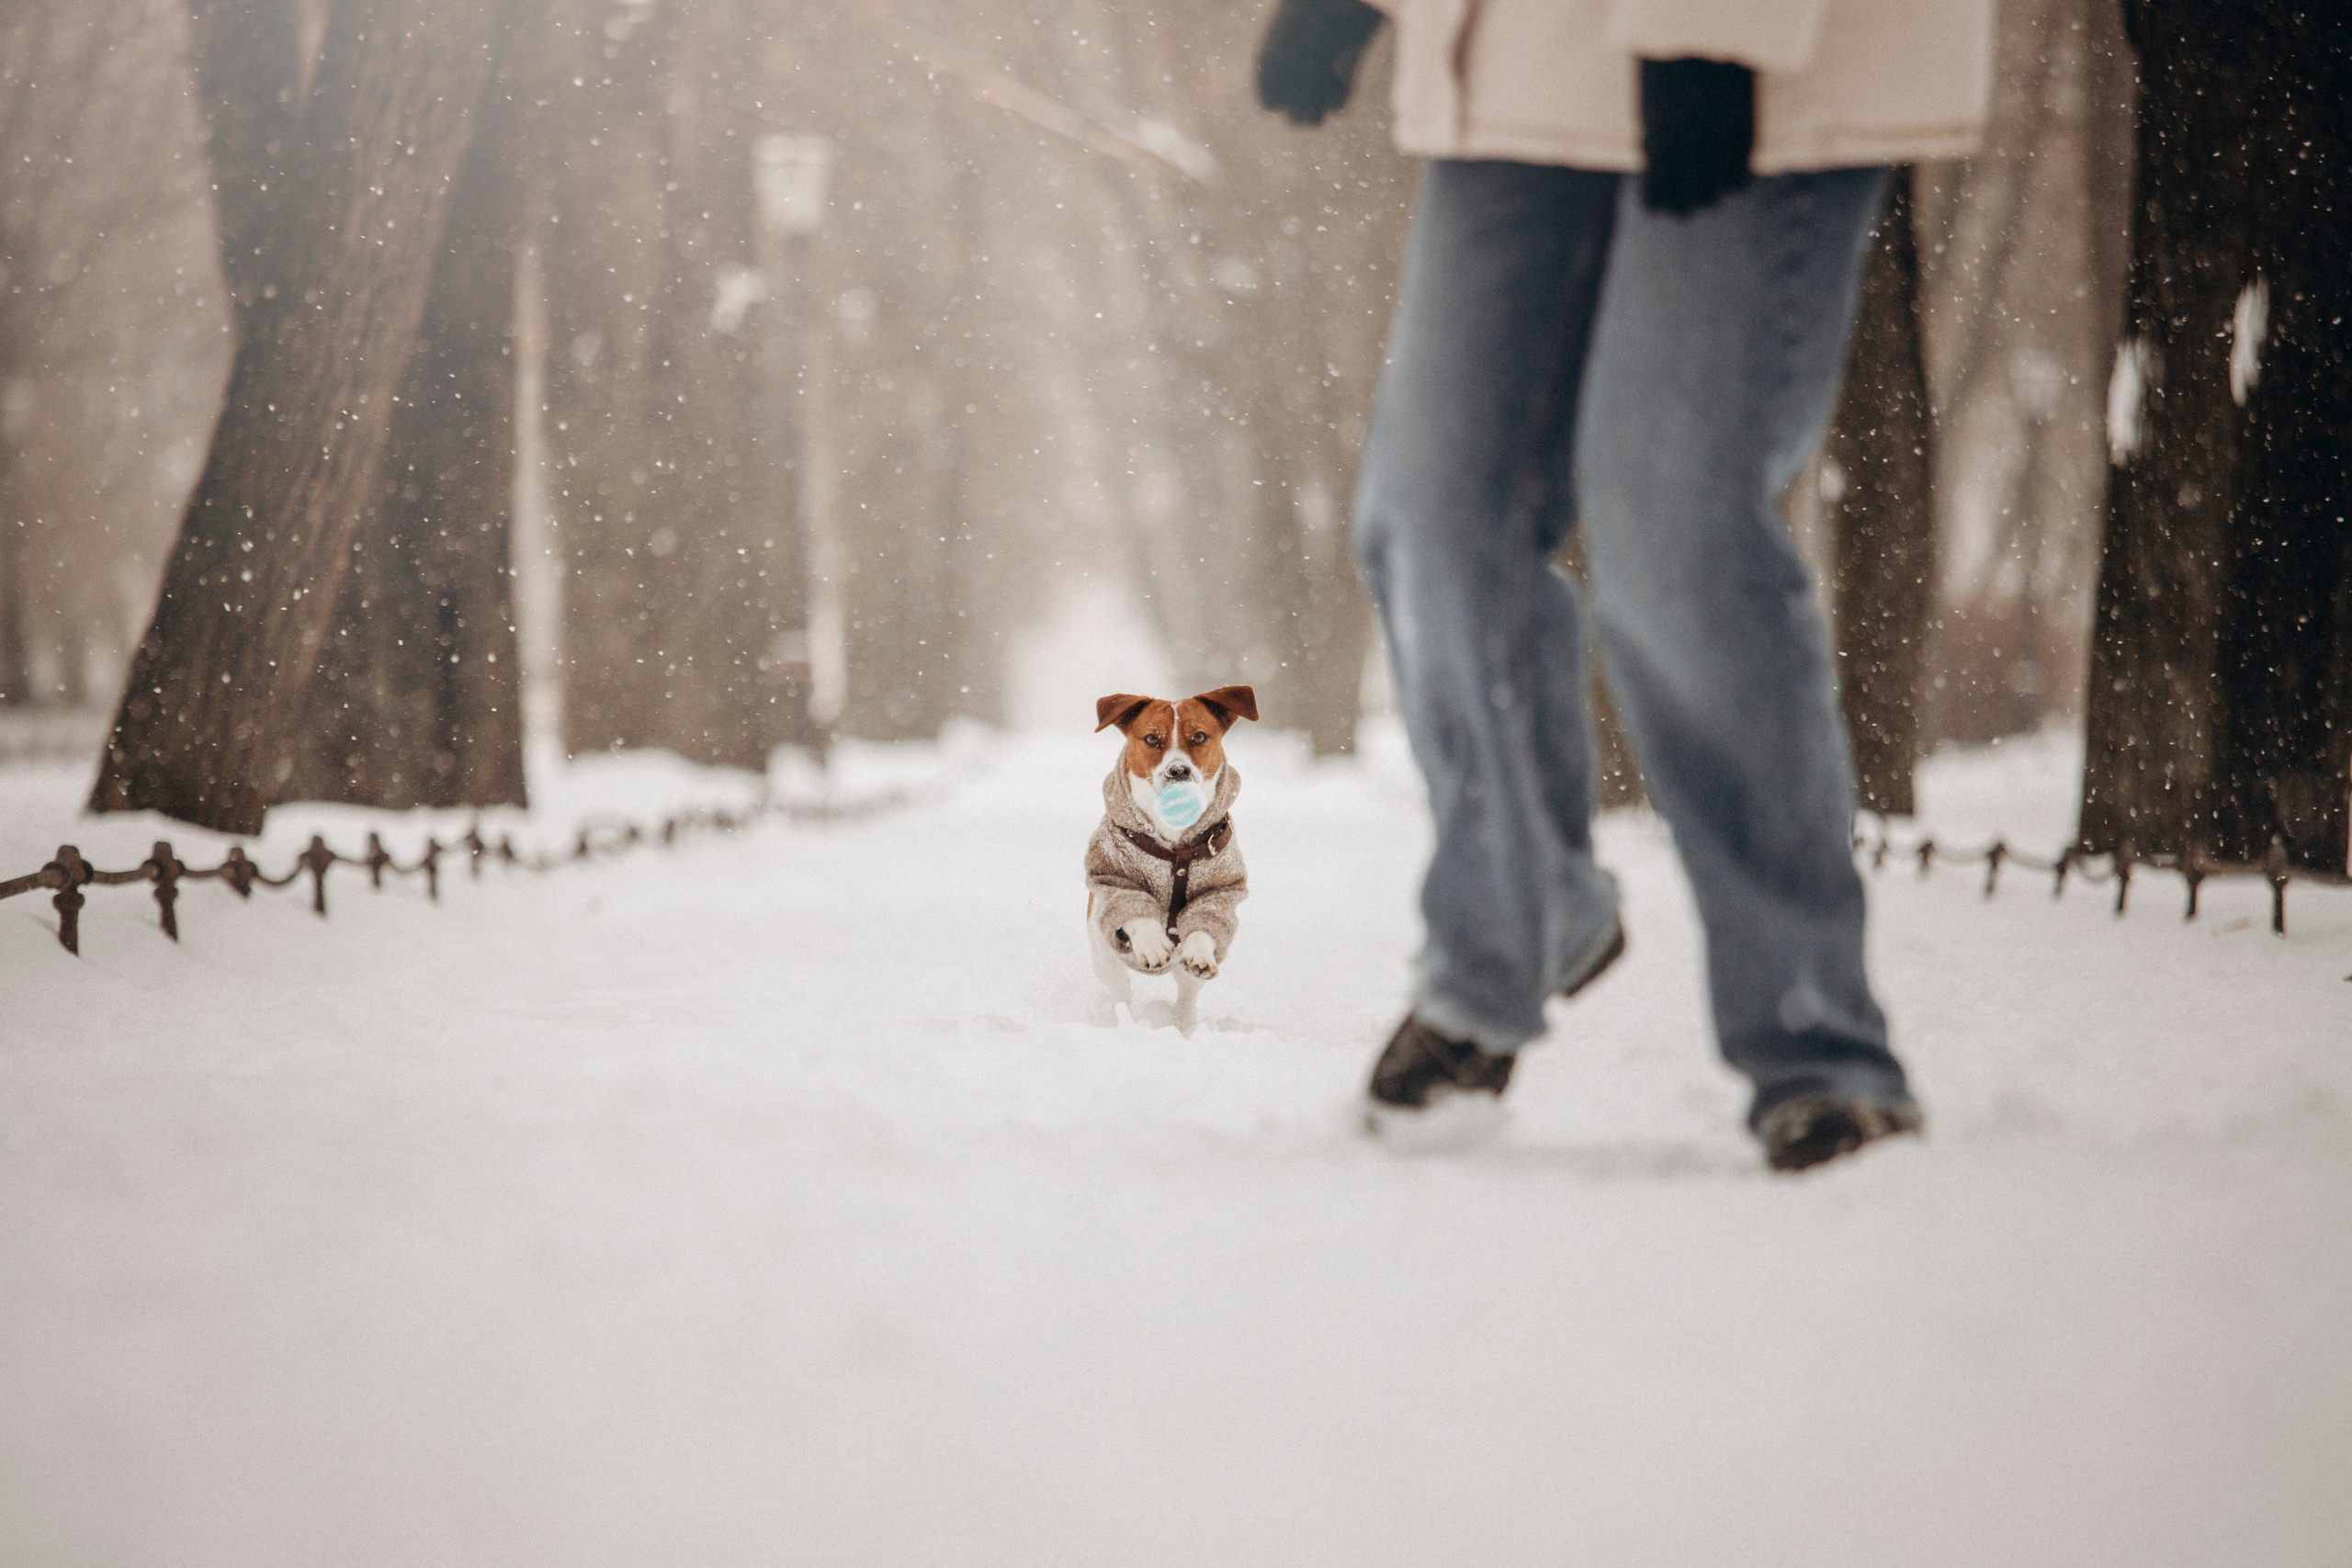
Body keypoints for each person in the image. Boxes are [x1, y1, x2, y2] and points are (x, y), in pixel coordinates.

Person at [1256, 0, 1991, 1170]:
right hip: (1514, 53)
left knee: (1672, 523)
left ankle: (1815, 1037)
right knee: (1435, 511)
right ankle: (1513, 923)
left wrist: (1715, 24)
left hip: (1763, 57)